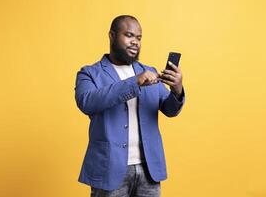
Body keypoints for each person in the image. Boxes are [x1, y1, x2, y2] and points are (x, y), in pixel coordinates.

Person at [75, 15, 185, 197]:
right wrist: (134, 82)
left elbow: (170, 110)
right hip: (109, 169)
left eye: (139, 38)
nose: (135, 42)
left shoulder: (149, 72)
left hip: (149, 169)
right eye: (129, 35)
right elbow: (87, 102)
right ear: (111, 35)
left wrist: (177, 89)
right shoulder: (90, 73)